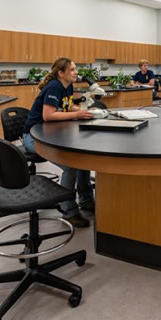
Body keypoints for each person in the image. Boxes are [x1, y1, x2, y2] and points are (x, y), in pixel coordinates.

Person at [22, 58, 95, 227]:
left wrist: (85, 111)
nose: (76, 72)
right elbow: (48, 115)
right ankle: (68, 211)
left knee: (82, 158)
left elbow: (66, 106)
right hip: (34, 138)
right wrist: (77, 115)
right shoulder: (54, 86)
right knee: (71, 165)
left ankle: (85, 199)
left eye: (75, 69)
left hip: (50, 134)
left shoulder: (67, 86)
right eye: (72, 70)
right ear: (61, 73)